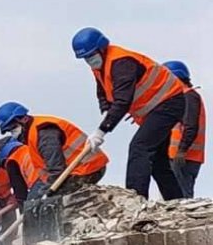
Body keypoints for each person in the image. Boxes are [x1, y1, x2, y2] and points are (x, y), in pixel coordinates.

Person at [72, 27, 185, 200]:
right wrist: (106, 110)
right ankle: (177, 201)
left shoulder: (121, 62)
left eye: (91, 55)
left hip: (168, 103)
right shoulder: (100, 66)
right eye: (86, 58)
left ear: (102, 48)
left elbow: (123, 101)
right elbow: (102, 91)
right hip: (155, 109)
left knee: (139, 147)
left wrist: (102, 130)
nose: (89, 61)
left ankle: (135, 199)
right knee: (158, 161)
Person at [0, 102, 108, 194]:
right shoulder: (33, 133)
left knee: (54, 200)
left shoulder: (43, 133)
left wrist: (47, 192)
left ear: (22, 119)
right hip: (73, 171)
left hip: (87, 169)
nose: (13, 134)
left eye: (13, 128)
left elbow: (56, 169)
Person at [164, 61, 206, 198]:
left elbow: (190, 126)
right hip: (181, 156)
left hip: (183, 157)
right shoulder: (182, 96)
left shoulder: (188, 96)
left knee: (181, 198)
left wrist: (182, 150)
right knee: (174, 197)